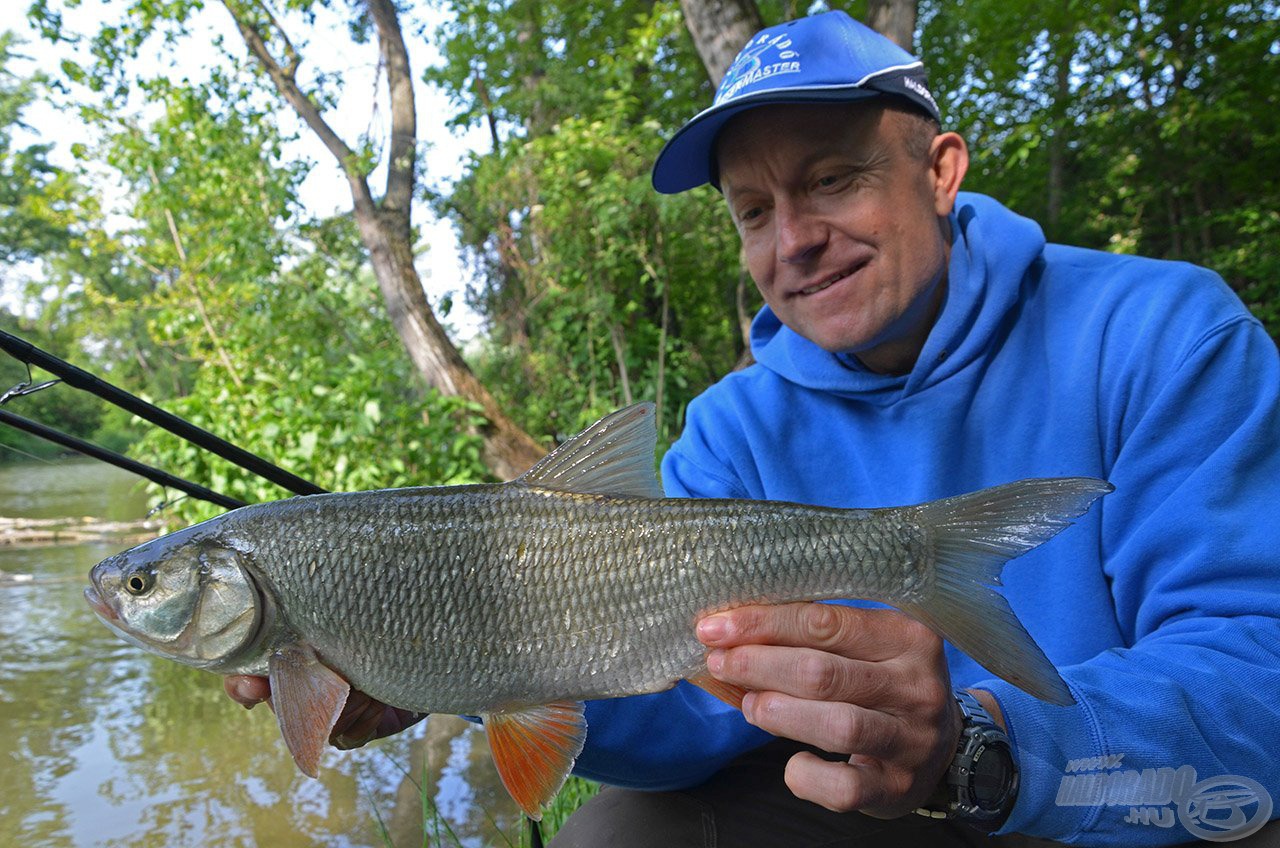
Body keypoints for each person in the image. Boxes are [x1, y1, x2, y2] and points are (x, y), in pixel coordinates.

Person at [228, 10, 1280, 846]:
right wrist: (453, 667)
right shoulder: (736, 423)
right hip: (874, 814)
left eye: (831, 179)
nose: (794, 241)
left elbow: (1256, 670)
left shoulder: (1160, 332)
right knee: (620, 831)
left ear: (939, 169)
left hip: (1139, 801)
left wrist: (992, 745)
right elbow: (695, 713)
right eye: (751, 209)